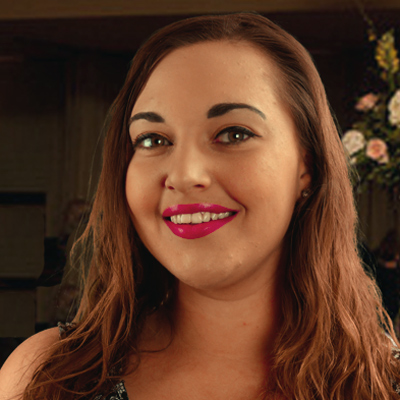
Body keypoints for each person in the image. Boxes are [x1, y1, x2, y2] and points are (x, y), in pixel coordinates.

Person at [1, 12, 400, 400]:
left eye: (233, 133)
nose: (185, 173)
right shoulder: (45, 375)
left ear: (306, 165)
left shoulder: (386, 385)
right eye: (153, 139)